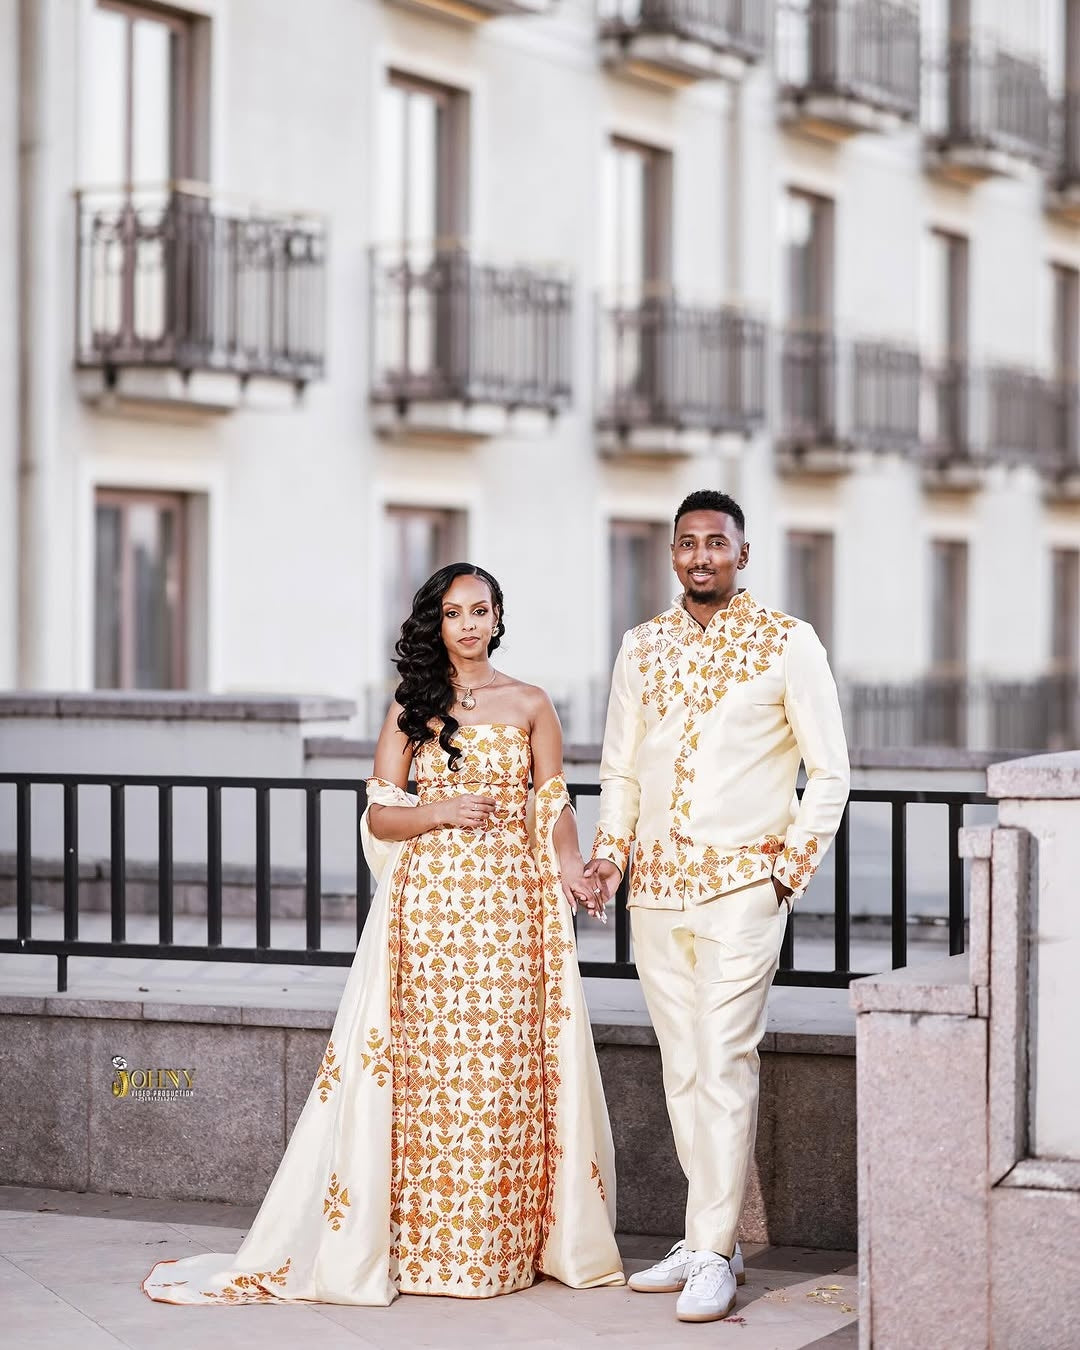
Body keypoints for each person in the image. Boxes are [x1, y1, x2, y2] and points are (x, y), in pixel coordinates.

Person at [143, 562, 623, 1306]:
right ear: (436, 624)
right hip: (431, 916)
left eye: (480, 610)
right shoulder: (412, 705)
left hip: (512, 914)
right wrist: (440, 811)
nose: (468, 624)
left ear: (499, 617)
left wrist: (571, 869)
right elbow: (379, 815)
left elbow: (553, 805)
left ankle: (498, 1248)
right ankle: (428, 1252)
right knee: (433, 1075)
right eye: (453, 612)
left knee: (500, 1069)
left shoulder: (531, 703)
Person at [584, 489, 849, 1324]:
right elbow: (619, 770)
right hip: (655, 894)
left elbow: (831, 771)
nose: (701, 556)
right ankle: (715, 1241)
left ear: (743, 552)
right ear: (673, 555)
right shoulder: (641, 647)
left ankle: (707, 1250)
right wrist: (609, 856)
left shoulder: (787, 643)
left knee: (726, 1060)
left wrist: (785, 873)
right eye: (688, 543)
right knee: (683, 1068)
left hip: (743, 890)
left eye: (716, 543)